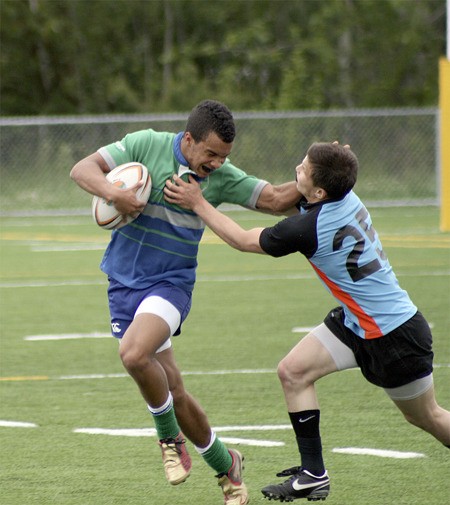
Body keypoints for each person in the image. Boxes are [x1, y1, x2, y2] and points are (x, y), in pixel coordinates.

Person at [164, 141, 450, 502]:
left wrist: (198, 202)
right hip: (359, 323)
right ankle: (313, 474)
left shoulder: (309, 227)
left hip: (394, 336)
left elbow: (241, 239)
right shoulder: (342, 193)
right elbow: (319, 179)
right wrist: (337, 157)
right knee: (293, 371)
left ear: (318, 191)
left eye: (304, 168)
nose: (297, 168)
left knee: (428, 418)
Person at [70, 99, 301, 505]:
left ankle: (168, 439)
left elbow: (276, 199)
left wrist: (323, 172)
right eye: (210, 153)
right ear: (188, 139)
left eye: (224, 156)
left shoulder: (220, 177)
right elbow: (82, 169)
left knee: (134, 355)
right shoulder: (145, 145)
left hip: (170, 284)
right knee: (173, 389)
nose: (215, 163)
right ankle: (227, 466)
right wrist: (115, 194)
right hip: (123, 283)